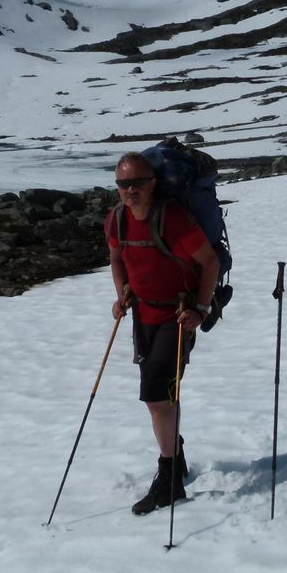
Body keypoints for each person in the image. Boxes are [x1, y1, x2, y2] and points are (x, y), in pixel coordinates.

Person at [106, 151, 220, 515]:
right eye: (123, 184)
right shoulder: (117, 221)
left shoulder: (172, 219)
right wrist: (121, 295)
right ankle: (177, 455)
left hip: (177, 315)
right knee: (161, 394)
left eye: (137, 183)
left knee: (157, 397)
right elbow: (117, 259)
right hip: (143, 314)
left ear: (152, 183)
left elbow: (210, 262)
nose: (130, 190)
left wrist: (200, 309)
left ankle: (169, 479)